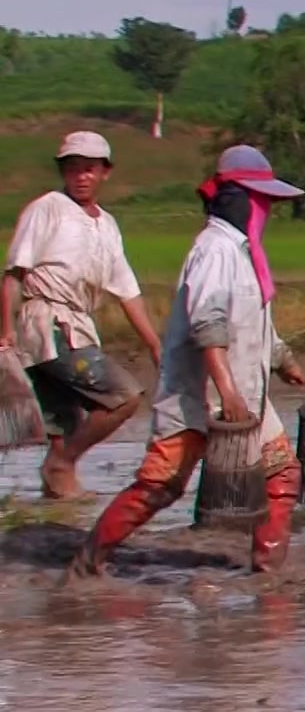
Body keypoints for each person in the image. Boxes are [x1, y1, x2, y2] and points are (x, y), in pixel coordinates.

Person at [67, 146, 305, 581]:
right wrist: (229, 393)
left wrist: (282, 359)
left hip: (244, 397)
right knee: (160, 487)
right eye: (263, 202)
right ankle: (88, 563)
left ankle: (267, 573)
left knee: (282, 475)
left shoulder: (243, 252)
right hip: (201, 399)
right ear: (238, 199)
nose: (268, 212)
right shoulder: (215, 250)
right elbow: (209, 326)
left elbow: (253, 322)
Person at [2, 131, 163, 500]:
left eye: (89, 169)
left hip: (76, 323)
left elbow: (127, 291)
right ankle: (63, 465)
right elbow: (14, 274)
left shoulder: (106, 225)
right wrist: (6, 330)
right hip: (46, 324)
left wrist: (154, 344)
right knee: (123, 396)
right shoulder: (47, 208)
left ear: (105, 172)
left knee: (66, 419)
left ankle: (57, 496)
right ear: (64, 172)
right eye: (73, 169)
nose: (81, 177)